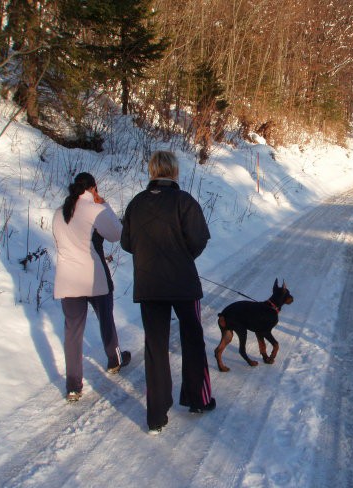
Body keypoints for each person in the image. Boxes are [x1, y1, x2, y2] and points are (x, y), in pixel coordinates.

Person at [121, 150, 215, 434]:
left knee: (155, 347)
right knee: (192, 339)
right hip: (182, 282)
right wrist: (182, 256)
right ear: (174, 172)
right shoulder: (184, 201)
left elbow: (127, 242)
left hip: (149, 284)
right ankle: (197, 399)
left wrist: (149, 254)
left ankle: (156, 416)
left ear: (151, 171)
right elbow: (199, 239)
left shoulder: (136, 204)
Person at [52, 172, 131, 403]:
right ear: (93, 189)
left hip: (67, 280)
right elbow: (117, 234)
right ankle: (114, 361)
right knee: (106, 318)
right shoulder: (95, 210)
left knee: (72, 334)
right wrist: (103, 204)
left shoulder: (59, 212)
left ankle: (73, 386)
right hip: (94, 276)